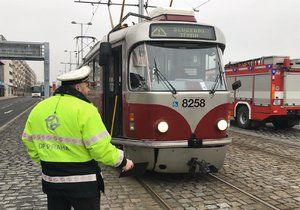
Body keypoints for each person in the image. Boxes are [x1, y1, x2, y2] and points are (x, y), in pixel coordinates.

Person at [21, 66, 134, 210]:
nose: (89, 90)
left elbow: (27, 139)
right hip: (82, 185)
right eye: (87, 85)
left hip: (51, 182)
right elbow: (100, 149)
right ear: (78, 87)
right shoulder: (86, 109)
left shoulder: (39, 108)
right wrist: (123, 161)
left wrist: (44, 158)